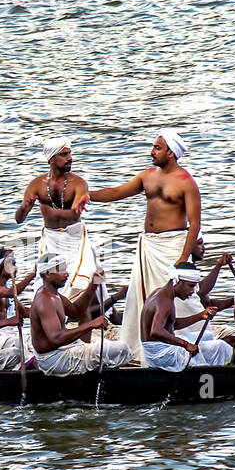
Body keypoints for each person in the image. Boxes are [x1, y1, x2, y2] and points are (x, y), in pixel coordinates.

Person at [86, 129, 202, 361]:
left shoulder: (186, 182)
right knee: (143, 296)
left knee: (178, 297)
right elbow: (118, 192)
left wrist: (183, 258)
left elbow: (195, 224)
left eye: (157, 148)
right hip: (148, 245)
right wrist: (87, 196)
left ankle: (187, 344)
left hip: (173, 245)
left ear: (171, 153)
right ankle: (139, 351)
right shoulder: (147, 175)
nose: (152, 151)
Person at [17, 136, 100, 299]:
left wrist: (50, 212)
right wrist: (24, 207)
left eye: (69, 153)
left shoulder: (79, 183)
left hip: (74, 238)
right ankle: (56, 316)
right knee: (45, 285)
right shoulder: (36, 184)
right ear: (52, 159)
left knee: (80, 282)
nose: (70, 158)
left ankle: (77, 319)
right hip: (50, 239)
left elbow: (75, 213)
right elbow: (19, 219)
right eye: (64, 154)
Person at [30, 252, 131, 375]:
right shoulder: (44, 300)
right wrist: (92, 324)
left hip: (62, 351)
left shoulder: (54, 295)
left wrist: (93, 285)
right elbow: (56, 337)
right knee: (122, 349)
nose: (66, 274)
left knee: (116, 348)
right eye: (61, 270)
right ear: (47, 274)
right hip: (54, 359)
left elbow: (76, 310)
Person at [140, 261, 231, 371]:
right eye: (191, 286)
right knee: (220, 346)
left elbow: (172, 324)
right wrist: (185, 344)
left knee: (207, 335)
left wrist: (201, 316)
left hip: (157, 349)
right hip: (160, 355)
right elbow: (156, 331)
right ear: (178, 281)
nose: (192, 291)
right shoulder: (164, 301)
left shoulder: (160, 293)